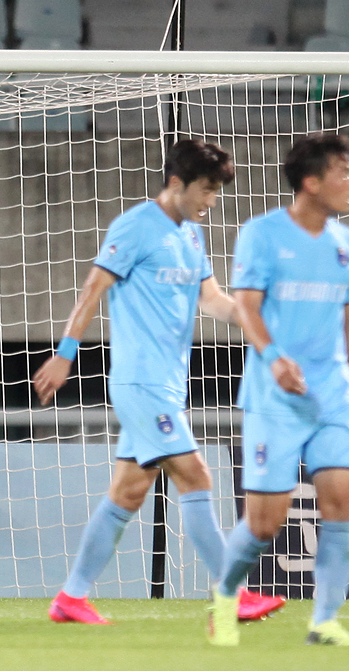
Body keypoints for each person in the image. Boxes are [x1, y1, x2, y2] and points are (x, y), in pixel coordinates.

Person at [33, 139, 284, 625]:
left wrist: (261, 320)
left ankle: (71, 597)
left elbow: (212, 300)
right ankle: (231, 593)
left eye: (216, 191)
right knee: (196, 475)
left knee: (128, 493)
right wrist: (65, 354)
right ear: (176, 183)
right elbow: (93, 288)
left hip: (167, 385)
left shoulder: (192, 235)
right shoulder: (134, 227)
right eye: (206, 189)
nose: (212, 201)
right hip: (140, 382)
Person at [207, 133, 349, 647]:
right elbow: (246, 307)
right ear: (312, 182)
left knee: (342, 497)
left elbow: (346, 314)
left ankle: (324, 621)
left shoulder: (347, 243)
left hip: (331, 396)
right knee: (265, 524)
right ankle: (226, 598)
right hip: (274, 397)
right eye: (344, 172)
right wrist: (275, 359)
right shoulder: (261, 234)